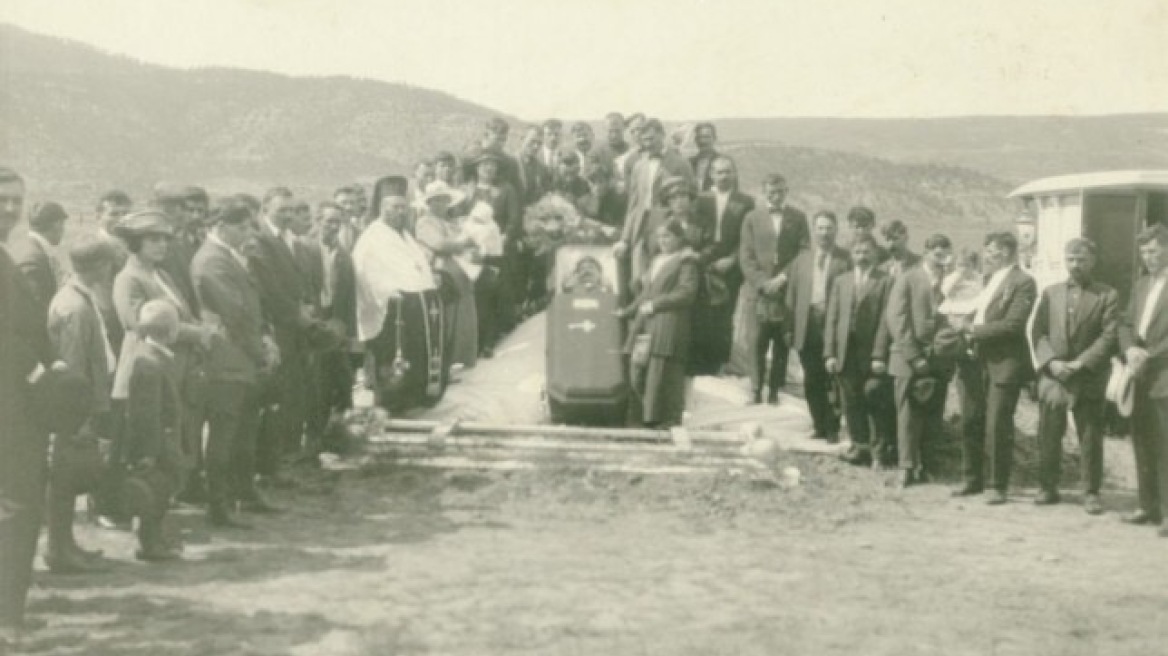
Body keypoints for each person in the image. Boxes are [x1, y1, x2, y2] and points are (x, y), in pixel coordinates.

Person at [0, 166, 63, 643]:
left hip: (17, 403)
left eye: (15, 200)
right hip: (11, 405)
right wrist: (40, 371)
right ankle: (7, 619)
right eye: (1, 199)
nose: (8, 209)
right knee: (19, 507)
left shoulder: (6, 254)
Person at [111, 210, 213, 494]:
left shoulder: (162, 274)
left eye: (165, 240)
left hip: (174, 365)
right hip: (146, 362)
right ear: (135, 243)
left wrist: (199, 327)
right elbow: (139, 325)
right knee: (143, 430)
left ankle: (165, 492)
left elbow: (184, 312)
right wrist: (197, 333)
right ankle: (127, 499)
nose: (162, 245)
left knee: (170, 428)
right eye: (153, 240)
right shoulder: (128, 278)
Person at [191, 201, 279, 527]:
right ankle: (219, 505)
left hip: (240, 356)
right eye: (241, 227)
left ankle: (243, 492)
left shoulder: (226, 256)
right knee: (223, 434)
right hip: (226, 359)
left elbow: (251, 308)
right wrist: (260, 351)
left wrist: (263, 342)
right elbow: (236, 313)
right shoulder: (211, 260)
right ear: (221, 225)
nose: (248, 234)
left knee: (244, 430)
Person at [45, 237, 119, 573]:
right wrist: (79, 416)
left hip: (80, 405)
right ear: (99, 266)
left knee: (69, 479)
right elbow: (73, 368)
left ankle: (66, 545)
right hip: (74, 410)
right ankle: (59, 550)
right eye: (107, 262)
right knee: (64, 480)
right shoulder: (74, 307)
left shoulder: (78, 297)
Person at [1029, 238, 1117, 514]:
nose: (1076, 265)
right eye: (1071, 259)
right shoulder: (1051, 292)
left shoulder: (1107, 295)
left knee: (1090, 435)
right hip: (1054, 376)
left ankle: (1090, 492)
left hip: (1088, 376)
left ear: (1093, 261)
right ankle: (1047, 487)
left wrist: (1082, 363)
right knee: (1049, 432)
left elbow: (1109, 335)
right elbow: (1038, 332)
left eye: (1081, 260)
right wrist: (1051, 363)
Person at [951, 232, 1037, 505]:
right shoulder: (985, 280)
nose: (988, 256)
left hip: (1004, 362)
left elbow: (1013, 325)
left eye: (993, 251)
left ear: (1008, 252)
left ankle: (996, 484)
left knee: (997, 424)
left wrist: (972, 330)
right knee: (970, 419)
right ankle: (971, 478)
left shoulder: (1024, 282)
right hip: (974, 360)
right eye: (986, 250)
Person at [353, 175, 446, 413]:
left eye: (404, 207)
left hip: (415, 306)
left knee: (416, 354)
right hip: (391, 310)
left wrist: (430, 281)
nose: (401, 212)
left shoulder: (405, 236)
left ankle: (415, 399)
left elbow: (418, 267)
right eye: (395, 207)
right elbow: (366, 274)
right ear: (382, 209)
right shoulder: (371, 238)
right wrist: (389, 292)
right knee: (393, 360)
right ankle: (392, 404)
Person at [248, 188, 318, 485]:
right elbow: (269, 289)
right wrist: (296, 314)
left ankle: (284, 459)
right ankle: (269, 465)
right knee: (276, 397)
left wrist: (309, 306)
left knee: (294, 395)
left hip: (296, 329)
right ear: (265, 209)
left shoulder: (292, 241)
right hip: (278, 328)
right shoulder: (261, 240)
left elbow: (302, 281)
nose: (288, 216)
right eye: (281, 211)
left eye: (291, 210)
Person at [886, 233, 956, 487]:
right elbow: (897, 320)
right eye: (937, 254)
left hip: (939, 359)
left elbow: (956, 318)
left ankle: (928, 464)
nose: (941, 260)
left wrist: (947, 348)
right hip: (907, 357)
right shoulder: (908, 278)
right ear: (926, 252)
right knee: (907, 414)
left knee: (933, 412)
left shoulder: (953, 283)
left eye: (946, 255)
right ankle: (906, 466)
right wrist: (914, 357)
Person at [619, 220, 700, 428]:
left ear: (679, 238)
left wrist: (656, 305)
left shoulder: (686, 261)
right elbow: (646, 292)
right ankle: (646, 416)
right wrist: (627, 311)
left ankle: (662, 420)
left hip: (669, 322)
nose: (663, 241)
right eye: (660, 237)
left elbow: (687, 292)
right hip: (646, 322)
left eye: (668, 237)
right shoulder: (657, 260)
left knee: (661, 372)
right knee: (637, 370)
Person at [123, 299, 186, 562]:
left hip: (162, 438)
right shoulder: (150, 363)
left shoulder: (152, 356)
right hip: (157, 442)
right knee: (156, 489)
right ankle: (149, 543)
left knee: (163, 488)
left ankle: (154, 538)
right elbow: (147, 413)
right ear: (170, 330)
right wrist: (148, 451)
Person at [738, 173, 810, 404]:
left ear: (786, 191)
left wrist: (783, 278)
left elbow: (804, 252)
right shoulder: (752, 218)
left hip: (786, 291)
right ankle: (756, 389)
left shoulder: (797, 218)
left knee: (782, 343)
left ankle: (775, 391)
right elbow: (746, 256)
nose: (776, 196)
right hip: (757, 292)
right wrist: (762, 282)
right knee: (756, 340)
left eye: (780, 192)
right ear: (764, 192)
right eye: (771, 192)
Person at [825, 235, 895, 466]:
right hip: (846, 351)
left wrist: (879, 355)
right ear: (851, 255)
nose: (862, 257)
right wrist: (831, 353)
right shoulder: (841, 281)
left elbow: (887, 320)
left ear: (875, 254)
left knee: (874, 397)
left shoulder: (885, 281)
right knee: (850, 401)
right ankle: (859, 447)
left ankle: (879, 452)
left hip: (871, 354)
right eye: (857, 252)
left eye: (866, 252)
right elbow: (832, 318)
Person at [1118, 224, 1168, 532]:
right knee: (1142, 441)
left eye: (1154, 251)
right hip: (1139, 376)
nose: (1148, 257)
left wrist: (1150, 354)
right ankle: (1147, 505)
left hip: (1164, 375)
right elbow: (1124, 323)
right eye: (1144, 252)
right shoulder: (1141, 285)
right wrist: (1129, 350)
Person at [785, 211, 852, 441]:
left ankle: (833, 427)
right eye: (820, 228)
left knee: (832, 378)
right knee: (812, 378)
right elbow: (792, 296)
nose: (824, 233)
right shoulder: (802, 259)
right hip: (808, 324)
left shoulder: (845, 259)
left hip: (833, 324)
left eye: (829, 228)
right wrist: (789, 328)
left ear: (836, 230)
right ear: (814, 231)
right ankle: (818, 425)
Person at [615, 118, 696, 287]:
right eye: (644, 140)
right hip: (641, 226)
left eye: (651, 139)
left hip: (667, 226)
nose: (648, 144)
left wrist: (686, 232)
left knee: (662, 277)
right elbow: (633, 204)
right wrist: (625, 238)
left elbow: (691, 198)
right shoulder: (638, 166)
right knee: (637, 279)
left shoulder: (680, 163)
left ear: (662, 135)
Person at [693, 155, 755, 375]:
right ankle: (701, 365)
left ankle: (720, 364)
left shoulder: (745, 202)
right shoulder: (702, 199)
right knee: (701, 312)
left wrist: (733, 259)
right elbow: (695, 231)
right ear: (711, 175)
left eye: (728, 171)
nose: (724, 176)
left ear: (734, 174)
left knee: (724, 314)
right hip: (704, 261)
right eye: (719, 172)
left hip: (730, 264)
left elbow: (748, 237)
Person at [415, 181, 478, 372]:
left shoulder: (450, 222)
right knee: (447, 314)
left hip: (460, 272)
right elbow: (440, 245)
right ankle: (445, 360)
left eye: (445, 200)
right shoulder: (424, 222)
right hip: (442, 272)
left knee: (463, 313)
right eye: (438, 200)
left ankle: (461, 357)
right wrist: (463, 243)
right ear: (430, 203)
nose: (442, 204)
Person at [313, 202, 359, 452]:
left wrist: (347, 329)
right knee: (318, 385)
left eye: (337, 223)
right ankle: (317, 438)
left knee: (343, 380)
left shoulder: (341, 253)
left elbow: (349, 293)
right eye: (328, 221)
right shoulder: (307, 248)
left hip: (336, 323)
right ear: (317, 220)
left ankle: (340, 435)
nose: (332, 227)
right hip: (315, 325)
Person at [464, 149, 524, 327]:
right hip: (471, 247)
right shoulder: (467, 190)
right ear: (476, 168)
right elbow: (459, 216)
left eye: (493, 165)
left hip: (499, 246)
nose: (489, 169)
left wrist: (503, 239)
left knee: (497, 289)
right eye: (484, 165)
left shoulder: (506, 190)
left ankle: (497, 332)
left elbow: (514, 219)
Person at [10, 200, 68, 309]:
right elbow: (35, 306)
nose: (63, 230)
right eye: (62, 224)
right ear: (57, 225)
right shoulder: (33, 260)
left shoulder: (24, 245)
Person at [515, 126, 552, 208]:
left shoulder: (542, 169)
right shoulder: (509, 163)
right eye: (532, 141)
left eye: (539, 143)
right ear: (522, 139)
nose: (536, 146)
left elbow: (545, 195)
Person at [689, 122, 720, 192]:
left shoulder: (724, 162)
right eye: (699, 137)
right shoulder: (689, 163)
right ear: (695, 140)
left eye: (707, 137)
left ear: (714, 139)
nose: (703, 141)